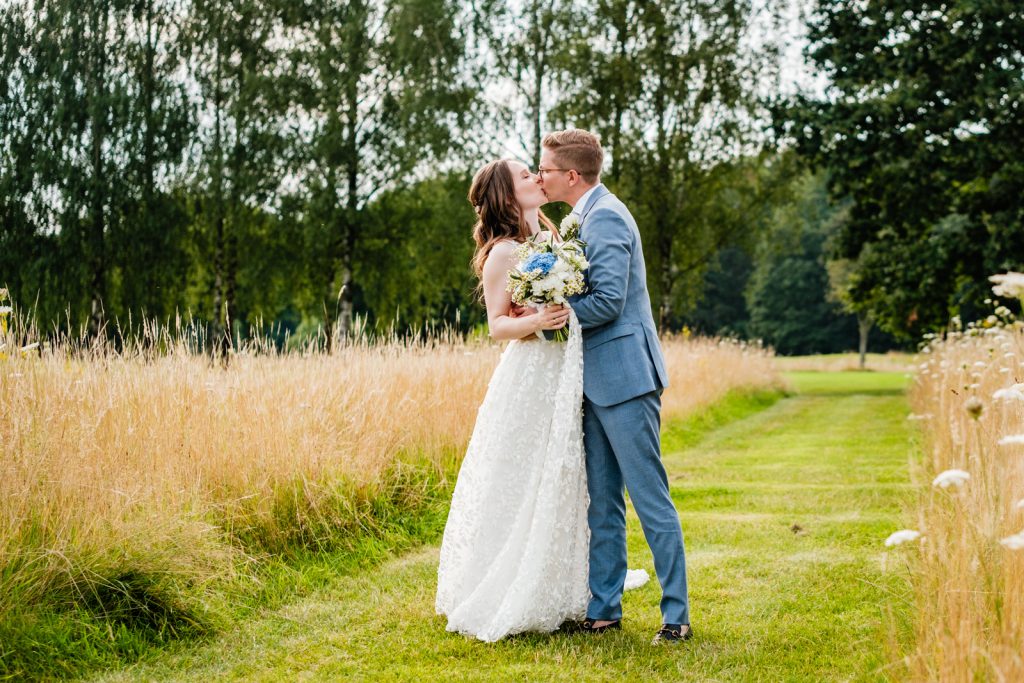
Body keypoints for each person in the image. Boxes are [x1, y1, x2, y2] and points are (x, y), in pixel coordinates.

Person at [537, 129, 692, 644]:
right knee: (601, 502)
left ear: (572, 176)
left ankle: (677, 616)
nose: (540, 176)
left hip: (625, 378)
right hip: (591, 380)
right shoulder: (579, 218)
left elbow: (606, 302)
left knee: (650, 498)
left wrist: (548, 316)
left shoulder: (605, 216)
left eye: (547, 170)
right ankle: (604, 609)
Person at [434, 158, 591, 642]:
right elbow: (498, 325)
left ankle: (559, 585)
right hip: (528, 376)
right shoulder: (503, 252)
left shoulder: (550, 241)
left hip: (561, 372)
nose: (537, 180)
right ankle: (504, 584)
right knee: (520, 475)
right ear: (506, 195)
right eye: (527, 176)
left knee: (560, 472)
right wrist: (536, 322)